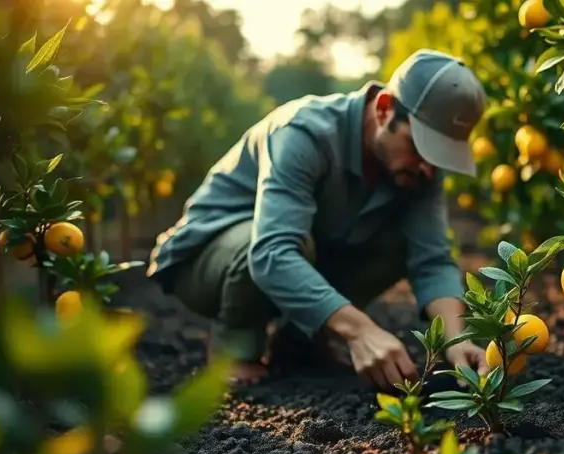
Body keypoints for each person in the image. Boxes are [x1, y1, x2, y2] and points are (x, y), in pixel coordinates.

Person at [145, 49, 488, 388]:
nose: (429, 168)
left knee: (396, 242)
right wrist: (360, 330)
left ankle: (299, 344)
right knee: (279, 244)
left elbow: (432, 258)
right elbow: (270, 253)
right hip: (205, 259)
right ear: (384, 109)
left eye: (440, 157)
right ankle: (236, 348)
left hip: (296, 252)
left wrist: (456, 342)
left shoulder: (420, 169)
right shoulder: (303, 132)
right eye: (419, 147)